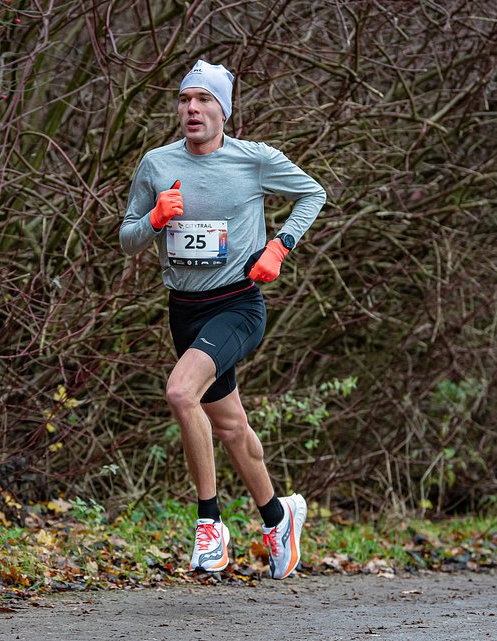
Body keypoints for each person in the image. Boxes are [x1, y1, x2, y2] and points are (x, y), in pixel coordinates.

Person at [119, 60, 326, 579]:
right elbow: (126, 238)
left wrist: (280, 245)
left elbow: (313, 193)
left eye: (204, 100)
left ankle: (209, 526)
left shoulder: (253, 161)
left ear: (223, 110)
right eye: (186, 99)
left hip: (238, 305)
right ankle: (279, 519)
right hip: (184, 311)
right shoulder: (156, 164)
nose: (193, 108)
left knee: (180, 393)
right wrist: (154, 219)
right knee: (231, 427)